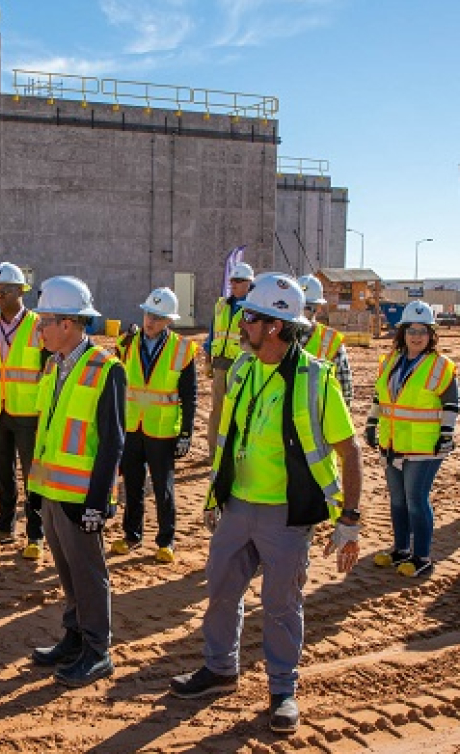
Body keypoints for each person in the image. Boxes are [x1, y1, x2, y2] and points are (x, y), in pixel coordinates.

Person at [169, 273, 362, 734]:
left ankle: (282, 690)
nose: (241, 324)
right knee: (220, 593)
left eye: (249, 317)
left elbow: (349, 451)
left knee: (281, 605)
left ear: (275, 325)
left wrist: (349, 519)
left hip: (287, 516)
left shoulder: (316, 378)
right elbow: (229, 433)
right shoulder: (241, 368)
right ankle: (220, 668)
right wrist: (217, 492)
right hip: (237, 507)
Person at [27, 276, 127, 687]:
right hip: (52, 490)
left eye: (44, 321)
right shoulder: (54, 365)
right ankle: (73, 637)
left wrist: (97, 503)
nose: (39, 329)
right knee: (67, 572)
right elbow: (49, 431)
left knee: (89, 573)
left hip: (81, 495)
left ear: (67, 323)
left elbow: (113, 442)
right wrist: (36, 490)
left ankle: (97, 650)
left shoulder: (107, 369)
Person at [364, 301, 460, 578]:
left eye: (423, 331)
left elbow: (451, 404)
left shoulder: (441, 366)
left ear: (431, 335)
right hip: (393, 443)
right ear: (402, 332)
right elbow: (379, 396)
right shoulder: (390, 361)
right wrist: (372, 422)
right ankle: (401, 549)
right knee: (397, 499)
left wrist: (446, 435)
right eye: (411, 330)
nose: (416, 336)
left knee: (416, 499)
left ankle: (422, 557)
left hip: (424, 446)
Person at [110, 287, 198, 564]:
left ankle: (166, 541)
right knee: (132, 486)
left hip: (162, 430)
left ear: (169, 321)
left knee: (164, 488)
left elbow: (189, 396)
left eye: (158, 317)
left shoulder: (183, 350)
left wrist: (186, 432)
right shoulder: (127, 344)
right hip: (132, 428)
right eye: (149, 314)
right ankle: (132, 535)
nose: (151, 321)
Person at [0, 262, 50, 560]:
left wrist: (45, 411)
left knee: (33, 476)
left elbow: (49, 372)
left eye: (5, 290)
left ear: (21, 291)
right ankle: (5, 528)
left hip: (29, 413)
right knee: (4, 474)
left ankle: (36, 534)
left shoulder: (39, 327)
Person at [205, 262, 255, 457]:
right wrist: (208, 359)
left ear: (249, 284)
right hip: (220, 363)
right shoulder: (222, 305)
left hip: (242, 365)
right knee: (217, 408)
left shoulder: (253, 309)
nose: (233, 284)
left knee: (239, 409)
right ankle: (213, 453)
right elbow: (212, 334)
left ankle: (235, 453)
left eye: (238, 281)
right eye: (232, 280)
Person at [296, 274, 354, 403]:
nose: (299, 311)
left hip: (316, 417)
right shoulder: (277, 335)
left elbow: (345, 391)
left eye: (306, 307)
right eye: (296, 304)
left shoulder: (331, 342)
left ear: (318, 309)